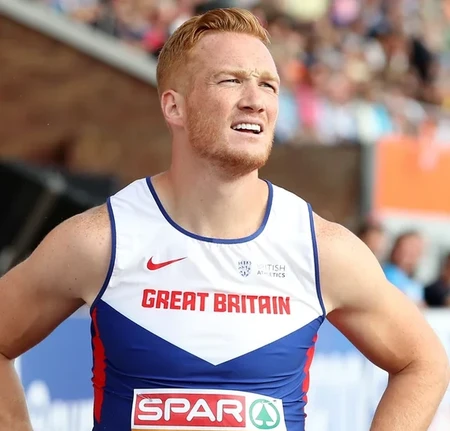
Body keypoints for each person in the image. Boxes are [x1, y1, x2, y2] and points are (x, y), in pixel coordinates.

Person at [0, 8, 448, 431]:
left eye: (268, 85)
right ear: (174, 107)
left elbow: (424, 363)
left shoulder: (321, 249)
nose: (256, 101)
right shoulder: (101, 240)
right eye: (231, 80)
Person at [383, 230, 426, 307]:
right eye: (408, 248)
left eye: (416, 249)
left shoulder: (414, 281)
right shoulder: (386, 275)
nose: (412, 253)